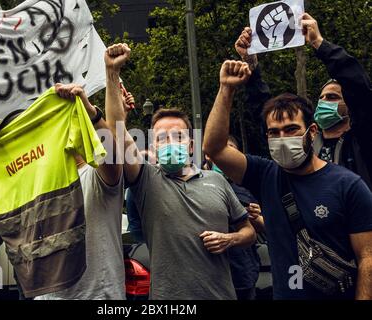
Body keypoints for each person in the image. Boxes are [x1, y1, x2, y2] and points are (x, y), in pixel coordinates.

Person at [203, 59, 372, 300]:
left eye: (291, 129)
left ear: (312, 132)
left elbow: (368, 257)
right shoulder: (265, 175)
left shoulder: (348, 186)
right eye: (274, 132)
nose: (282, 138)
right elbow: (214, 148)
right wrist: (226, 89)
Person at [105, 43, 257, 300]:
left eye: (177, 136)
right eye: (162, 138)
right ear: (152, 145)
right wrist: (112, 73)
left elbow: (249, 232)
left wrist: (229, 239)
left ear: (190, 145)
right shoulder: (147, 181)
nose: (170, 142)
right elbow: (115, 134)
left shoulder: (217, 181)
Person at [0, 82, 128, 300]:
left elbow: (112, 156)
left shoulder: (98, 176)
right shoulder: (33, 182)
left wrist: (90, 111)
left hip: (99, 296)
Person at [235, 13, 372, 189]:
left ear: (350, 106)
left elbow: (358, 86)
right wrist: (251, 67)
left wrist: (319, 44)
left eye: (332, 97)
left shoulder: (363, 139)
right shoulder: (304, 145)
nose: (323, 102)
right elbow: (267, 113)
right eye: (321, 97)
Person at [204, 136, 262, 300]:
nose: (224, 155)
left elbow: (262, 229)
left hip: (241, 271)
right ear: (209, 154)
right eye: (219, 149)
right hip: (205, 274)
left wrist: (256, 217)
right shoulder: (193, 184)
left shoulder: (247, 187)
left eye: (229, 150)